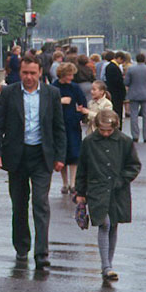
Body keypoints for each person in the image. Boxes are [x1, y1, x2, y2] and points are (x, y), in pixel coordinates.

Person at [0, 56, 66, 269]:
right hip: (16, 157)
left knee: (41, 203)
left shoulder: (52, 94)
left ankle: (42, 253)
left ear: (40, 72)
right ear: (19, 72)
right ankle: (22, 248)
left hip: (42, 156)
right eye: (25, 73)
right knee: (19, 205)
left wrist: (60, 157)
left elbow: (59, 128)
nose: (29, 77)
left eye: (32, 73)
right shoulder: (8, 93)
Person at [74, 108, 141, 282]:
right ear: (96, 127)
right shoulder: (89, 142)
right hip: (96, 189)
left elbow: (134, 165)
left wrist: (121, 180)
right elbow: (82, 167)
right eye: (101, 130)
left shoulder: (125, 141)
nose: (105, 133)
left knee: (114, 225)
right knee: (104, 223)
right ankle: (106, 266)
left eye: (108, 130)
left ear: (115, 127)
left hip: (118, 191)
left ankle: (108, 265)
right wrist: (80, 192)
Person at [53, 62, 88, 195]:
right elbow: (47, 103)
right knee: (62, 154)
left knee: (74, 153)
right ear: (62, 74)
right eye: (69, 75)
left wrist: (78, 114)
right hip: (58, 124)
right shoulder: (54, 87)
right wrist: (60, 101)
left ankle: (73, 183)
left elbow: (82, 103)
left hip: (72, 124)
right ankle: (64, 183)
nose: (71, 77)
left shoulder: (75, 87)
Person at [124, 52, 146, 143]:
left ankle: (135, 135)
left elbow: (126, 82)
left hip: (133, 94)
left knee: (134, 115)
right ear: (144, 60)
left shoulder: (131, 69)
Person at [103, 51, 126, 119]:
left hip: (113, 92)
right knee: (117, 111)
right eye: (122, 60)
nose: (122, 62)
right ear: (119, 58)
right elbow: (118, 82)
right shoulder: (113, 67)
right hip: (116, 93)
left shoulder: (110, 66)